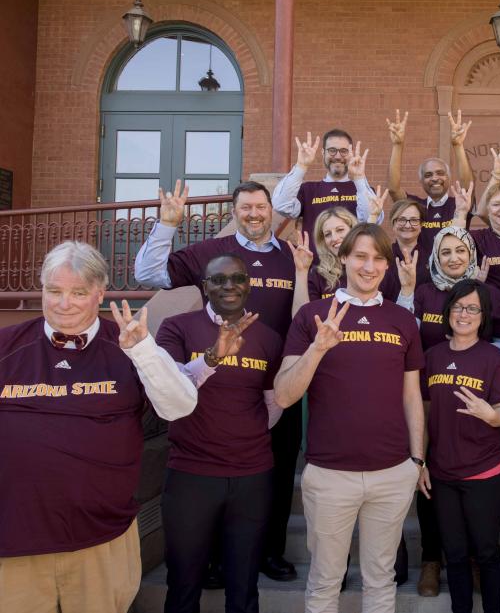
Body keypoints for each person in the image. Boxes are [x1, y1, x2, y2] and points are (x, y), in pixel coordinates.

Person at [0, 241, 198, 613]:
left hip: (101, 540)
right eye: (54, 291)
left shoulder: (128, 345)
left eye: (78, 292)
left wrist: (142, 353)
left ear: (100, 293)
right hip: (13, 542)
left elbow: (179, 406)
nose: (64, 303)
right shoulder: (7, 345)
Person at [134, 179, 301, 582]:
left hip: (274, 381)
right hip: (210, 381)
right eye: (245, 208)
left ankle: (269, 553)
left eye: (261, 207)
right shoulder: (211, 253)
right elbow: (149, 274)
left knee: (275, 474)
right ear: (234, 212)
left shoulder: (293, 258)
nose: (255, 214)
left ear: (271, 210)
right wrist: (167, 224)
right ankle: (209, 558)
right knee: (211, 480)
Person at [274, 223, 426, 613]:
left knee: (381, 580)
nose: (369, 266)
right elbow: (286, 394)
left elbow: (412, 397)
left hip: (392, 472)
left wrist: (416, 460)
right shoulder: (311, 316)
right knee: (325, 582)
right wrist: (318, 349)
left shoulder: (402, 321)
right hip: (330, 474)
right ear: (342, 257)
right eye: (360, 255)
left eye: (378, 258)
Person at [156, 254, 285, 613]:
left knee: (244, 586)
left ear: (249, 284)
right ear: (204, 287)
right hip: (191, 475)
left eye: (237, 278)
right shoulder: (176, 327)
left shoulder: (269, 338)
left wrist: (244, 435)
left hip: (252, 475)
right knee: (183, 584)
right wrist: (213, 357)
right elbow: (170, 388)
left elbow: (273, 403)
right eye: (219, 279)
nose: (229, 286)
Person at [418, 279, 500, 613]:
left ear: (483, 315)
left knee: (486, 552)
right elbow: (426, 412)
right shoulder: (432, 357)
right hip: (443, 474)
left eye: (472, 308)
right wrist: (421, 462)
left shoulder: (493, 358)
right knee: (455, 553)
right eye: (458, 306)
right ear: (447, 312)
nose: (464, 314)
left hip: (485, 473)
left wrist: (490, 414)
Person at [272, 129, 381, 250]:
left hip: (352, 266)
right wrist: (301, 166)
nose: (338, 156)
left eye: (344, 151)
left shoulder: (362, 189)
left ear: (351, 153)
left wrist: (359, 178)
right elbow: (281, 205)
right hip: (315, 267)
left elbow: (370, 221)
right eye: (332, 150)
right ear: (323, 153)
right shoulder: (308, 189)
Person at [385, 110, 476, 253]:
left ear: (448, 178)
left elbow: (468, 186)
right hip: (419, 272)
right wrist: (397, 145)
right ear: (421, 181)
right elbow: (393, 189)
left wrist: (458, 146)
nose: (434, 178)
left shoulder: (459, 204)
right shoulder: (414, 206)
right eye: (428, 175)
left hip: (452, 272)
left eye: (440, 173)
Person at [410, 225, 500, 350]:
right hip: (430, 367)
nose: (454, 258)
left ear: (471, 253)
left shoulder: (490, 294)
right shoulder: (424, 293)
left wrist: (468, 346)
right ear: (437, 257)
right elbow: (408, 337)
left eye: (460, 250)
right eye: (446, 252)